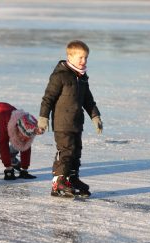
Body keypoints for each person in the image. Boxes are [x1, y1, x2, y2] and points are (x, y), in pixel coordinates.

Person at [38, 40, 103, 198]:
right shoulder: (60, 76)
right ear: (70, 56)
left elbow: (88, 100)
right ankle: (58, 181)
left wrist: (95, 115)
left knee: (76, 152)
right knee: (66, 152)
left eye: (86, 58)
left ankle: (72, 179)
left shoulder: (82, 78)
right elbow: (48, 98)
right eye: (80, 57)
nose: (84, 61)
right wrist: (43, 117)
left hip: (76, 122)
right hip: (62, 123)